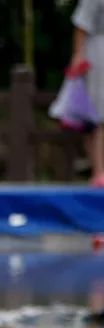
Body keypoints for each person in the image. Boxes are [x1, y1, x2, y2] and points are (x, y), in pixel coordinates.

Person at [71, 0, 104, 187]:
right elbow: (81, 24)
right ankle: (99, 170)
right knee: (98, 114)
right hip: (98, 55)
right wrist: (78, 55)